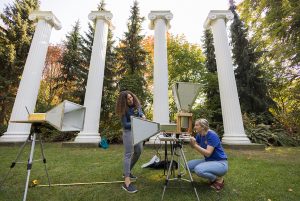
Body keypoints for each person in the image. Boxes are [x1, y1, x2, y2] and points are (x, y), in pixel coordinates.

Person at [115, 90, 146, 193]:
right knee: (128, 154)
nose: (130, 100)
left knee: (139, 151)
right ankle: (127, 182)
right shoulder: (123, 109)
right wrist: (136, 119)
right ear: (124, 101)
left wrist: (142, 116)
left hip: (137, 131)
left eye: (131, 97)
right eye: (128, 99)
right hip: (128, 132)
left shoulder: (137, 105)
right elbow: (125, 125)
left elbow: (140, 113)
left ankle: (126, 171)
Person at [188, 118, 228, 192]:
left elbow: (208, 153)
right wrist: (191, 141)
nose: (194, 127)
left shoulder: (212, 135)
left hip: (220, 163)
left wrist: (195, 145)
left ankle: (218, 179)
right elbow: (194, 146)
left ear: (202, 127)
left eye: (196, 125)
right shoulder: (199, 135)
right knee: (188, 165)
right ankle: (212, 178)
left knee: (198, 169)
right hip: (208, 161)